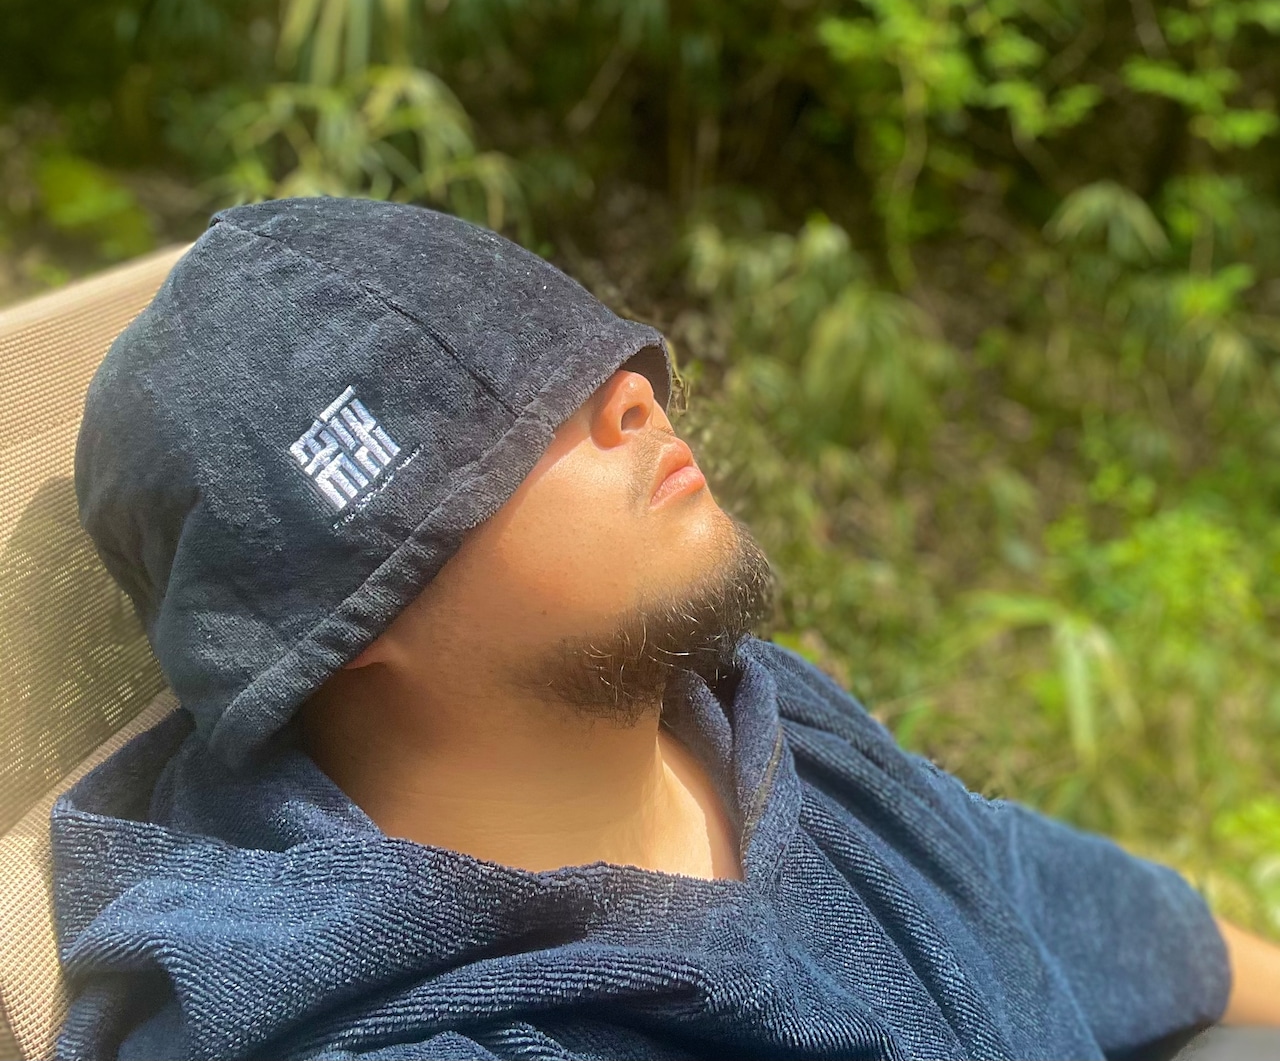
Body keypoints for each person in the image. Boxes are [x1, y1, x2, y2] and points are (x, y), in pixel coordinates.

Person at [51, 197, 1279, 1061]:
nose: (632, 394)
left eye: (578, 352)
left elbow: (1039, 893)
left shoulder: (750, 717)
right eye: (493, 417)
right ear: (333, 620)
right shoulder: (399, 1033)